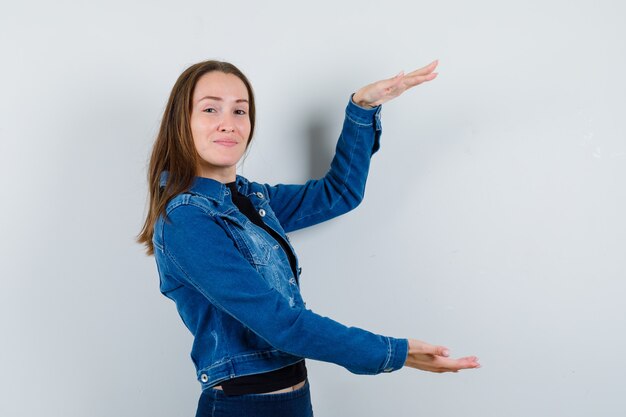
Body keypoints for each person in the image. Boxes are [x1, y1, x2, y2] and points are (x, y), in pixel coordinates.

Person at [137, 59, 480, 417]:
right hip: (244, 407)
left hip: (294, 401)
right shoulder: (187, 219)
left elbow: (339, 193)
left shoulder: (251, 200)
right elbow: (281, 324)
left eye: (240, 111)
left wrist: (362, 108)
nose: (229, 123)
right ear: (182, 123)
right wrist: (394, 352)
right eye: (210, 109)